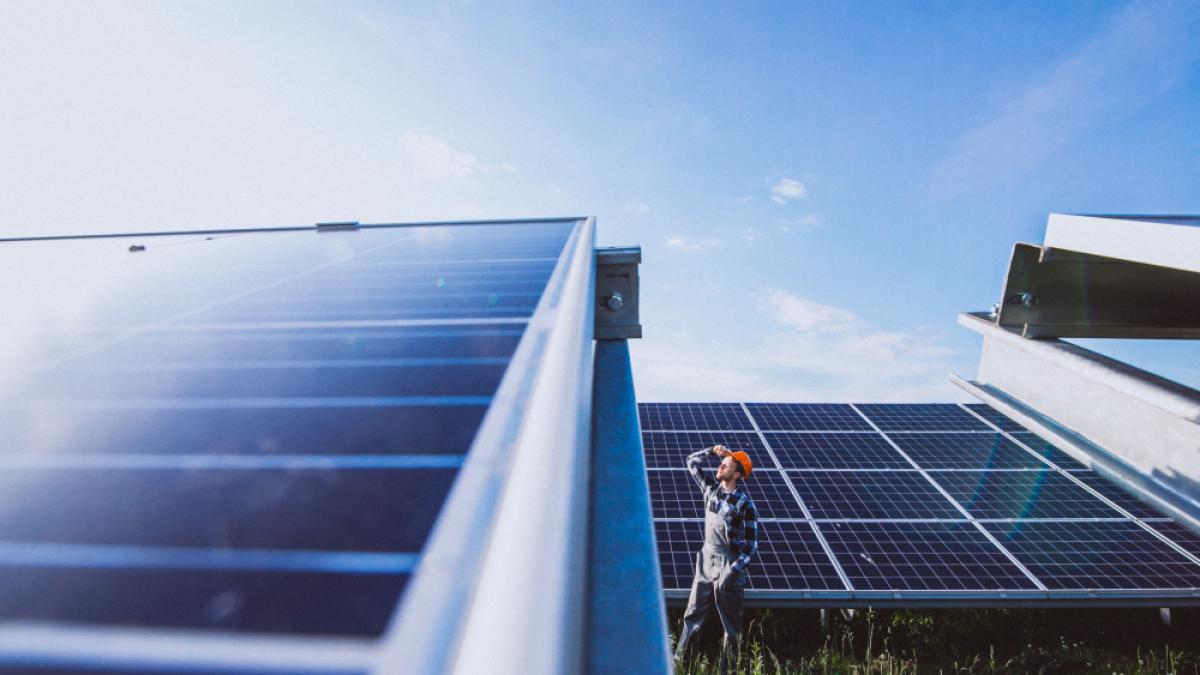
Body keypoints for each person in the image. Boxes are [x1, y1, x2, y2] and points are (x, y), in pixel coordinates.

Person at [674, 443, 758, 666]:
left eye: (726, 464)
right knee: (692, 615)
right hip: (705, 559)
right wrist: (712, 451)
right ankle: (682, 665)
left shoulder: (745, 504)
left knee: (730, 625)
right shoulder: (710, 489)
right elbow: (691, 462)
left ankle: (728, 669)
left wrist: (734, 570)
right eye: (721, 463)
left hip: (728, 563)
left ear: (738, 474)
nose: (720, 466)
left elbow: (751, 545)